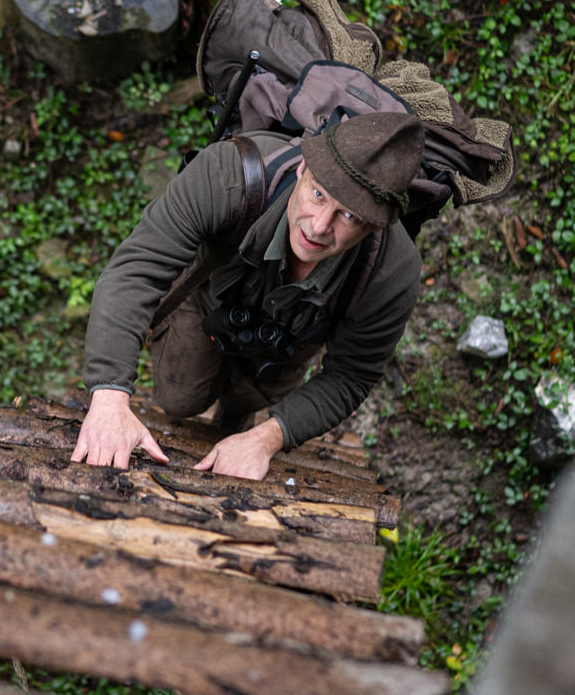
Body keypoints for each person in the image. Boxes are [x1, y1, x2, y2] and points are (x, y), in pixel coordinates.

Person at [73, 111, 425, 480]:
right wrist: (110, 394)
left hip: (295, 330)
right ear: (304, 166)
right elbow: (135, 271)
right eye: (318, 194)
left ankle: (239, 412)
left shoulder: (392, 272)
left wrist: (267, 438)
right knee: (179, 399)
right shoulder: (227, 175)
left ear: (375, 225)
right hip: (213, 297)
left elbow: (351, 375)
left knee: (252, 398)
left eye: (349, 217)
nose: (319, 227)